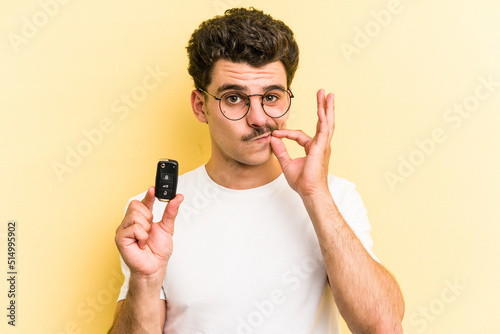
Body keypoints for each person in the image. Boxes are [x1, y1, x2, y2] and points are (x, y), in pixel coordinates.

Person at [109, 7, 404, 334]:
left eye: (272, 97)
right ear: (200, 106)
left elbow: (383, 325)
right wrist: (146, 279)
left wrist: (315, 195)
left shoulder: (335, 198)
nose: (260, 118)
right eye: (234, 98)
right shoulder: (155, 214)